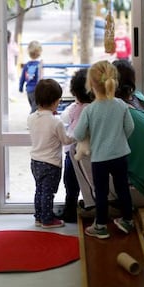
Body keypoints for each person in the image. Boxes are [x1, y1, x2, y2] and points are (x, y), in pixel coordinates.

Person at [72, 60, 144, 210]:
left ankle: (95, 206)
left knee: (76, 150)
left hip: (139, 193)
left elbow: (85, 138)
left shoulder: (116, 112)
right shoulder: (139, 98)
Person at [73, 60, 135, 239]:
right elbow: (130, 128)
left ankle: (100, 226)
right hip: (121, 155)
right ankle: (127, 220)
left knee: (101, 192)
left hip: (100, 159)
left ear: (91, 84)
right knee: (123, 188)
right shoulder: (121, 105)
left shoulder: (90, 110)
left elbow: (78, 134)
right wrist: (120, 140)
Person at [27, 79, 75, 228]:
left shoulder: (31, 118)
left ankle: (39, 216)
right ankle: (47, 220)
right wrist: (77, 135)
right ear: (56, 101)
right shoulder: (56, 122)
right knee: (48, 193)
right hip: (51, 164)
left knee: (39, 190)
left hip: (35, 161)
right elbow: (66, 140)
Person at [60, 68, 94, 222]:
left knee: (71, 184)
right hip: (91, 153)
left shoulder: (74, 108)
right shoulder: (95, 108)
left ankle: (70, 210)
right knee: (90, 182)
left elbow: (64, 119)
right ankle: (90, 206)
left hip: (72, 152)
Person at [19, 40, 43, 114]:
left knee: (33, 106)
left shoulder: (27, 65)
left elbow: (22, 77)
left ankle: (33, 120)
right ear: (39, 53)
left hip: (29, 90)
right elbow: (40, 78)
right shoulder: (39, 65)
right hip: (36, 90)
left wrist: (20, 87)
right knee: (35, 109)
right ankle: (31, 121)